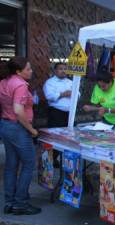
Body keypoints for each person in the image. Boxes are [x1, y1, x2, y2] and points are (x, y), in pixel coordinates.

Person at [0, 57, 41, 215]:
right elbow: (18, 111)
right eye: (28, 69)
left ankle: (10, 201)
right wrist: (31, 130)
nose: (31, 71)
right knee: (29, 163)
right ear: (18, 71)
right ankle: (20, 203)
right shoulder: (20, 85)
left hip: (5, 125)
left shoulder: (4, 82)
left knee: (11, 164)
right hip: (18, 128)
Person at [43, 62, 72, 167]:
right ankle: (51, 161)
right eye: (60, 69)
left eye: (65, 69)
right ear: (55, 71)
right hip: (56, 113)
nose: (63, 71)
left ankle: (66, 160)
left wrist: (73, 94)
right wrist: (63, 94)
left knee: (68, 137)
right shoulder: (49, 82)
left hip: (69, 114)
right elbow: (49, 96)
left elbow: (77, 94)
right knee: (54, 137)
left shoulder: (70, 82)